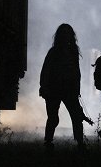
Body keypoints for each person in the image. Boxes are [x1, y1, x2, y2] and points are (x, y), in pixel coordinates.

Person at [39, 23, 93, 152]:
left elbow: (75, 73)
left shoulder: (65, 52)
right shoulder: (63, 52)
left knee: (73, 117)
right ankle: (52, 142)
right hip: (56, 89)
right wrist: (44, 86)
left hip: (63, 89)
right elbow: (46, 71)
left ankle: (52, 142)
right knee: (61, 117)